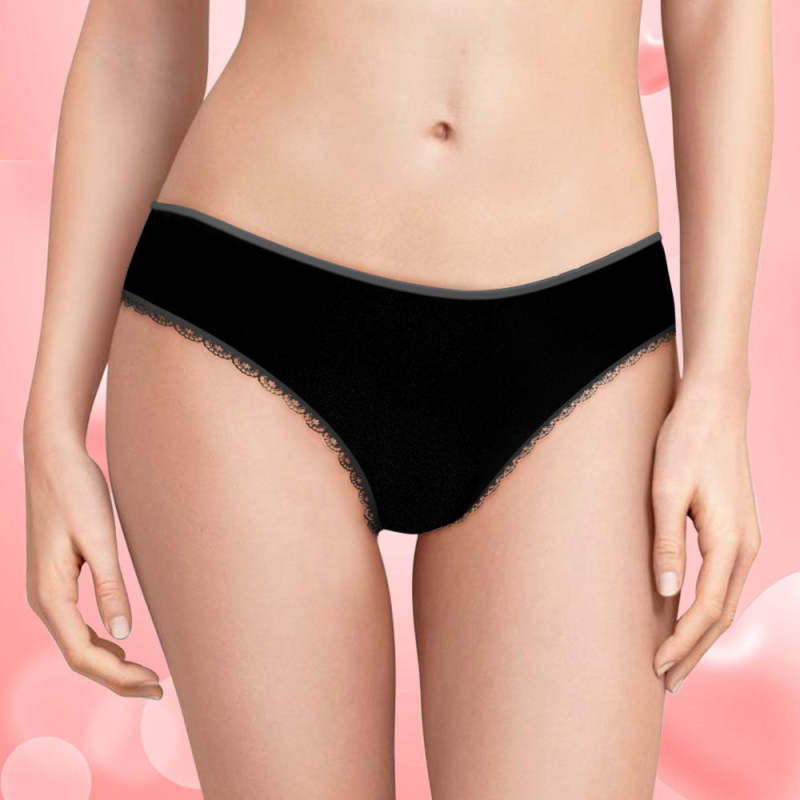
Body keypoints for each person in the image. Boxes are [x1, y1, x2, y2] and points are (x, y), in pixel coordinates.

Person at [22, 0, 771, 797]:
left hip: (586, 345)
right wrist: (53, 422)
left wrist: (719, 384)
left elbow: (720, 18)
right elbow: (138, 43)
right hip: (245, 320)